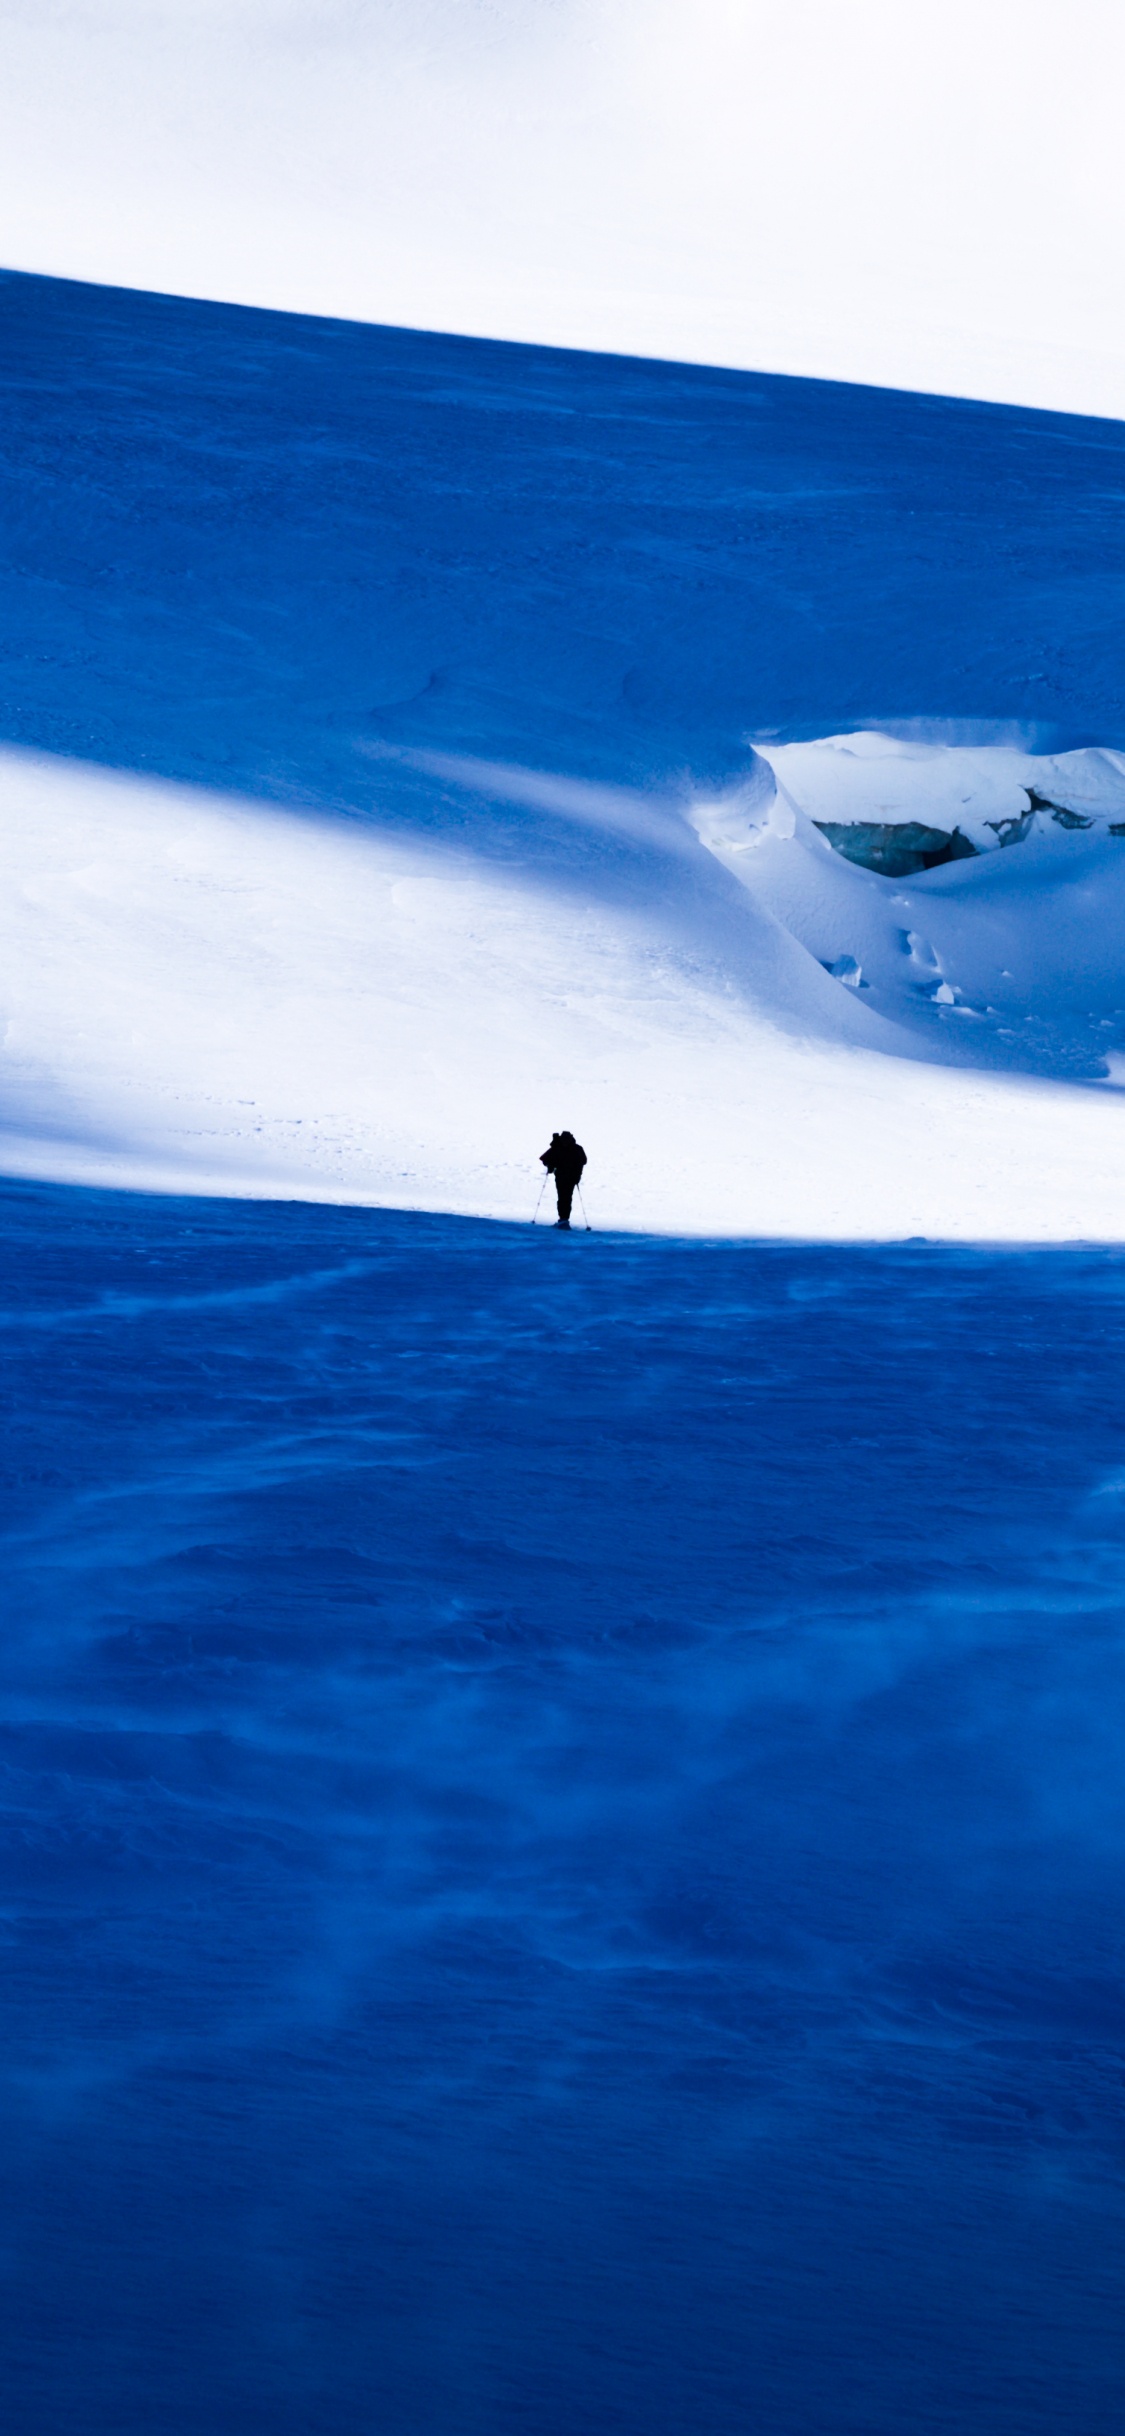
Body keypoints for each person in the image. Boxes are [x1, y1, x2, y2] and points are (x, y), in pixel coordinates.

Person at [540, 1130, 587, 1228]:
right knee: (567, 1198)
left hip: (562, 1177)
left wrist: (551, 1166)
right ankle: (564, 1219)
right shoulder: (577, 1148)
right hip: (572, 1178)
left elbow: (545, 1159)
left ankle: (563, 1219)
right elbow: (584, 1161)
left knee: (562, 1198)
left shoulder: (558, 1147)